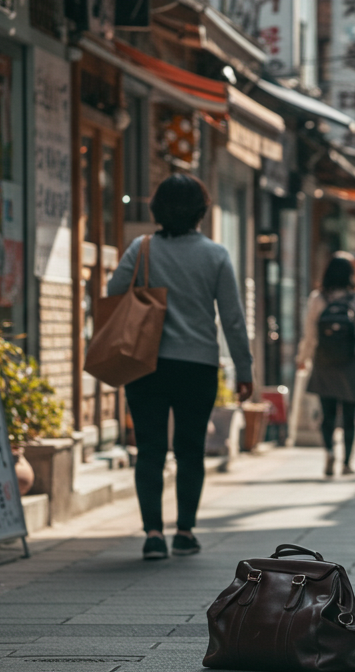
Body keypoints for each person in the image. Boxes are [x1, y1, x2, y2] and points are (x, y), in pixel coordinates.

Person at [108, 174, 252, 561]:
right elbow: (234, 319)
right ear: (201, 211)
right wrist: (245, 370)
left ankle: (153, 534)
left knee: (151, 449)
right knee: (190, 450)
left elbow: (113, 291)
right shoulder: (216, 255)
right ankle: (185, 531)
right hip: (198, 364)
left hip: (145, 361)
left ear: (157, 208)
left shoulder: (142, 248)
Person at [297, 254, 355, 477]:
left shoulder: (317, 299)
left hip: (324, 362)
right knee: (350, 417)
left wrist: (303, 359)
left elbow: (310, 334)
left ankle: (329, 451)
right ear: (352, 274)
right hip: (353, 363)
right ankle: (347, 463)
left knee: (327, 415)